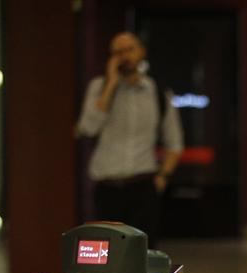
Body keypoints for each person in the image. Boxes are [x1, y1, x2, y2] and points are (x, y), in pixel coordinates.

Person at [76, 31, 183, 246]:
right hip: (107, 186)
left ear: (141, 52)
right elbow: (88, 128)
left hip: (142, 185)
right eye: (118, 52)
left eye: (129, 50)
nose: (125, 56)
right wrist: (110, 86)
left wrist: (162, 177)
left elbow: (175, 142)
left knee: (143, 255)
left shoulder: (157, 93)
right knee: (107, 254)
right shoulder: (99, 87)